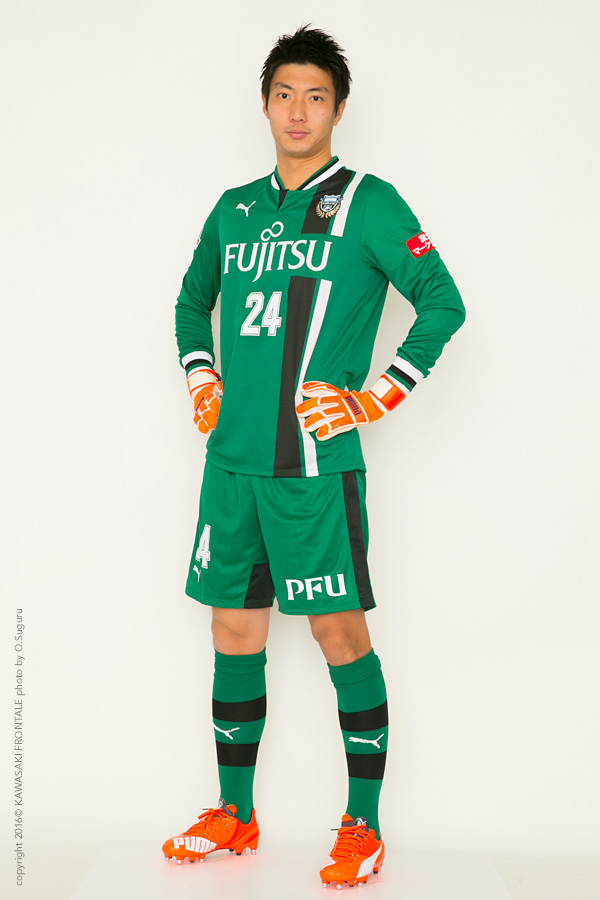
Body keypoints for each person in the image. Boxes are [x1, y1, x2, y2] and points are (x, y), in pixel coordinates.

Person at [162, 25, 465, 888]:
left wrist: (377, 396)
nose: (299, 111)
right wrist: (202, 374)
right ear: (265, 105)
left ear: (339, 109)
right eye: (285, 95)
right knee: (232, 632)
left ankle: (363, 825)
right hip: (232, 467)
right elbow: (189, 304)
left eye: (317, 97)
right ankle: (235, 812)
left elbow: (442, 302)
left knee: (338, 634)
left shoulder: (371, 202)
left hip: (314, 472)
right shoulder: (233, 210)